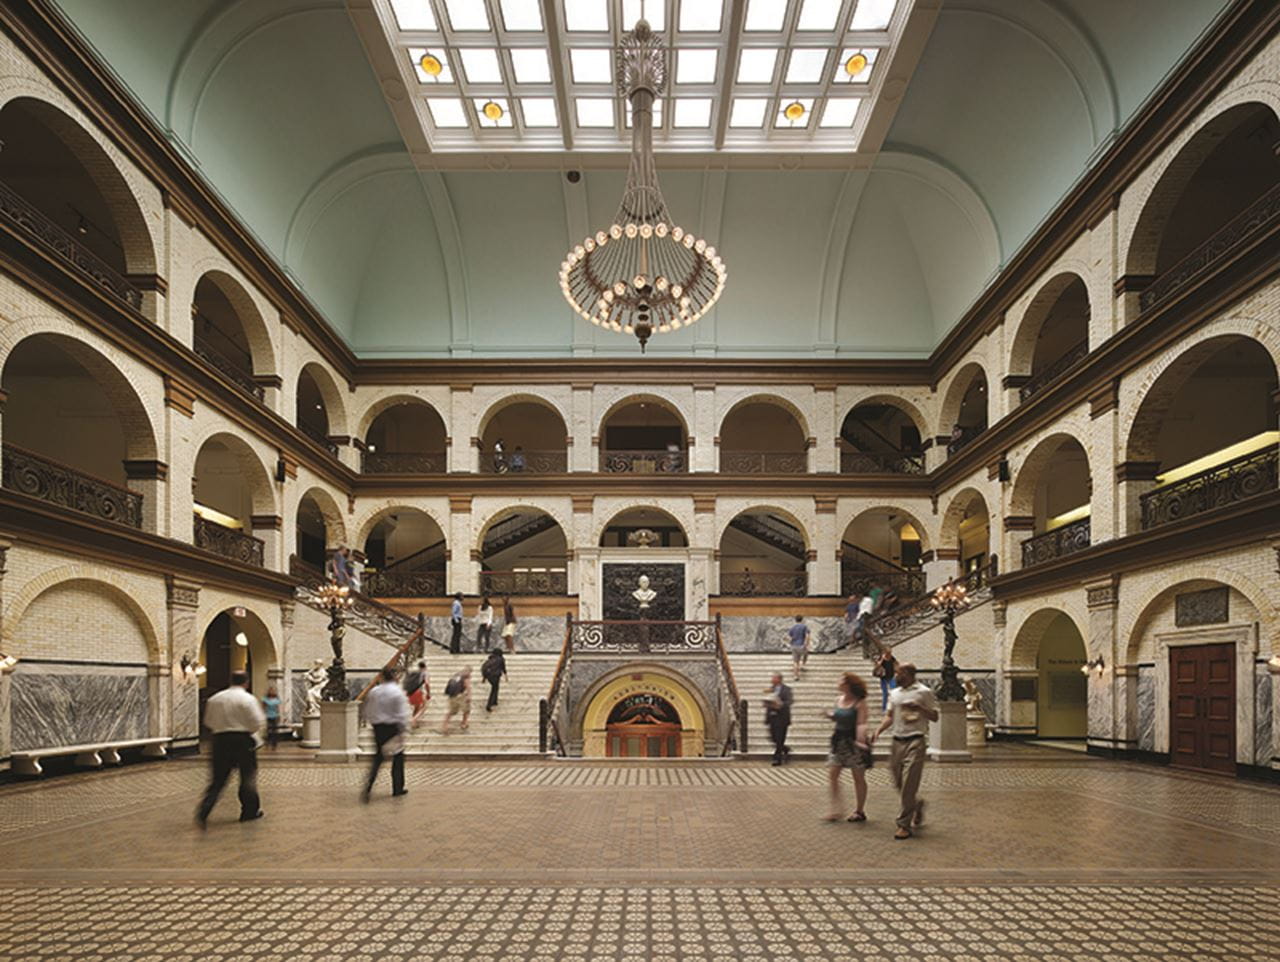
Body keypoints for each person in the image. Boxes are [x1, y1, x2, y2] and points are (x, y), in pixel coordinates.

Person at [873, 662, 939, 840]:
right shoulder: (894, 693)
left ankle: (903, 824)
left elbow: (935, 716)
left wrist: (920, 708)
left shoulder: (924, 692)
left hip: (916, 741)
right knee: (898, 782)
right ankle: (916, 805)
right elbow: (890, 715)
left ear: (908, 674)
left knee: (909, 782)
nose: (895, 676)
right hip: (896, 741)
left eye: (898, 673)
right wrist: (879, 730)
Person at [196, 670, 265, 828]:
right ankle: (249, 812)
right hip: (242, 740)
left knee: (218, 780)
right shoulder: (248, 699)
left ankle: (204, 810)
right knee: (247, 778)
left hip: (220, 741)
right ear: (246, 682)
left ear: (230, 681)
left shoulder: (215, 699)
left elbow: (208, 721)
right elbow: (257, 722)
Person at [825, 672, 871, 823]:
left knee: (858, 777)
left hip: (853, 743)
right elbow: (839, 716)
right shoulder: (838, 700)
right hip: (838, 742)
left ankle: (859, 810)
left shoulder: (859, 702)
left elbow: (861, 723)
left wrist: (861, 739)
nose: (838, 682)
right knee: (833, 775)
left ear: (848, 685)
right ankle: (836, 809)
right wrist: (831, 715)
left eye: (841, 680)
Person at [362, 667, 411, 801]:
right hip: (393, 728)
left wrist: (373, 723)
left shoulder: (374, 691)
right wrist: (404, 729)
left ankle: (368, 787)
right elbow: (402, 714)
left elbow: (368, 709)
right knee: (398, 758)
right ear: (394, 677)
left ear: (382, 677)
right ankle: (397, 788)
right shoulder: (397, 692)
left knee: (377, 759)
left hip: (378, 728)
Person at [762, 672, 793, 766]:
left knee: (780, 738)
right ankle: (785, 749)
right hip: (772, 717)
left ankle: (777, 759)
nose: (772, 680)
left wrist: (780, 705)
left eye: (774, 678)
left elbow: (789, 701)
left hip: (782, 717)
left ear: (779, 679)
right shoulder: (770, 689)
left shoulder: (786, 690)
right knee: (773, 737)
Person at [441, 667, 472, 734]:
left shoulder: (456, 676)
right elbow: (468, 687)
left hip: (452, 696)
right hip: (460, 696)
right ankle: (464, 723)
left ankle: (445, 725)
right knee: (466, 709)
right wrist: (469, 696)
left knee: (451, 711)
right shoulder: (466, 677)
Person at [403, 659, 430, 726]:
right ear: (425, 666)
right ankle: (414, 719)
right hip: (418, 692)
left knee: (417, 707)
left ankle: (414, 722)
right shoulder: (425, 673)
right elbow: (426, 683)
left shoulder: (413, 672)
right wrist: (428, 693)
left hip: (410, 692)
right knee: (425, 706)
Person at [872, 646, 898, 711]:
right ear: (885, 652)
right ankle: (884, 708)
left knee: (894, 691)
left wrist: (897, 670)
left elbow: (896, 663)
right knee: (885, 693)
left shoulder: (892, 658)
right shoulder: (882, 658)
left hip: (891, 676)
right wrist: (882, 659)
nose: (889, 654)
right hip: (883, 678)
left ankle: (893, 706)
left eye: (890, 653)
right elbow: (877, 665)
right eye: (888, 653)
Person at [787, 614, 810, 680]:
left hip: (794, 646)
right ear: (802, 620)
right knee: (806, 654)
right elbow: (807, 636)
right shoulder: (804, 627)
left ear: (795, 620)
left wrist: (790, 643)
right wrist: (806, 644)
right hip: (801, 645)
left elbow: (790, 638)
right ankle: (803, 665)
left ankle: (796, 676)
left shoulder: (792, 628)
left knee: (795, 662)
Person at [261, 686, 281, 750]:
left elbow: (278, 709)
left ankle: (274, 744)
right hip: (268, 716)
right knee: (268, 731)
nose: (271, 691)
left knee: (274, 731)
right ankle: (267, 743)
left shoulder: (277, 700)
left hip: (275, 716)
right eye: (270, 690)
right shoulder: (265, 699)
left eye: (273, 690)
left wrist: (279, 715)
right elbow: (263, 708)